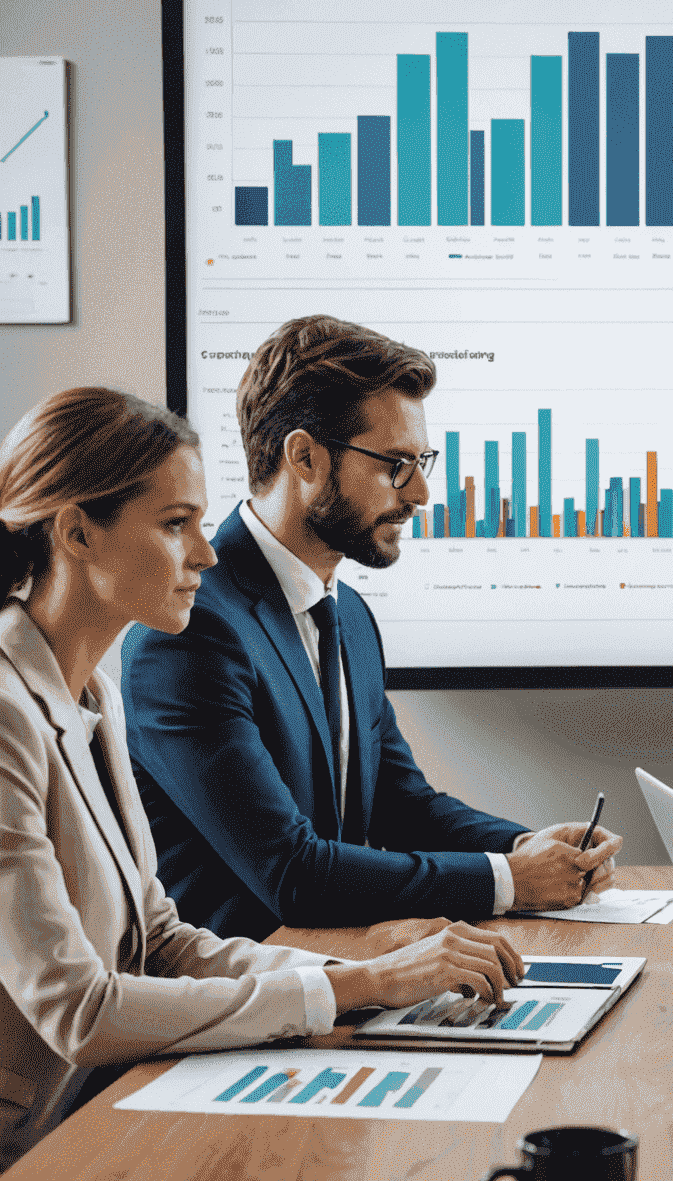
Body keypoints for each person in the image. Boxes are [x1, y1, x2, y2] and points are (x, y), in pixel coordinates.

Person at [0, 388, 525, 1173]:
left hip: (102, 1104)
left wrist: (366, 980)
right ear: (77, 530)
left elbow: (163, 942)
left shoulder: (90, 696)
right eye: (176, 524)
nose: (206, 554)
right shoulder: (7, 717)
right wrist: (358, 986)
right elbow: (81, 1009)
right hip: (33, 1146)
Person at [122, 316, 621, 941]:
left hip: (347, 971)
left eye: (422, 462)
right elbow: (291, 873)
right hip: (245, 999)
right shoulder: (190, 631)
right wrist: (511, 879)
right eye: (396, 465)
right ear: (304, 457)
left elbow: (396, 803)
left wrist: (523, 844)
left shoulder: (349, 615)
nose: (421, 492)